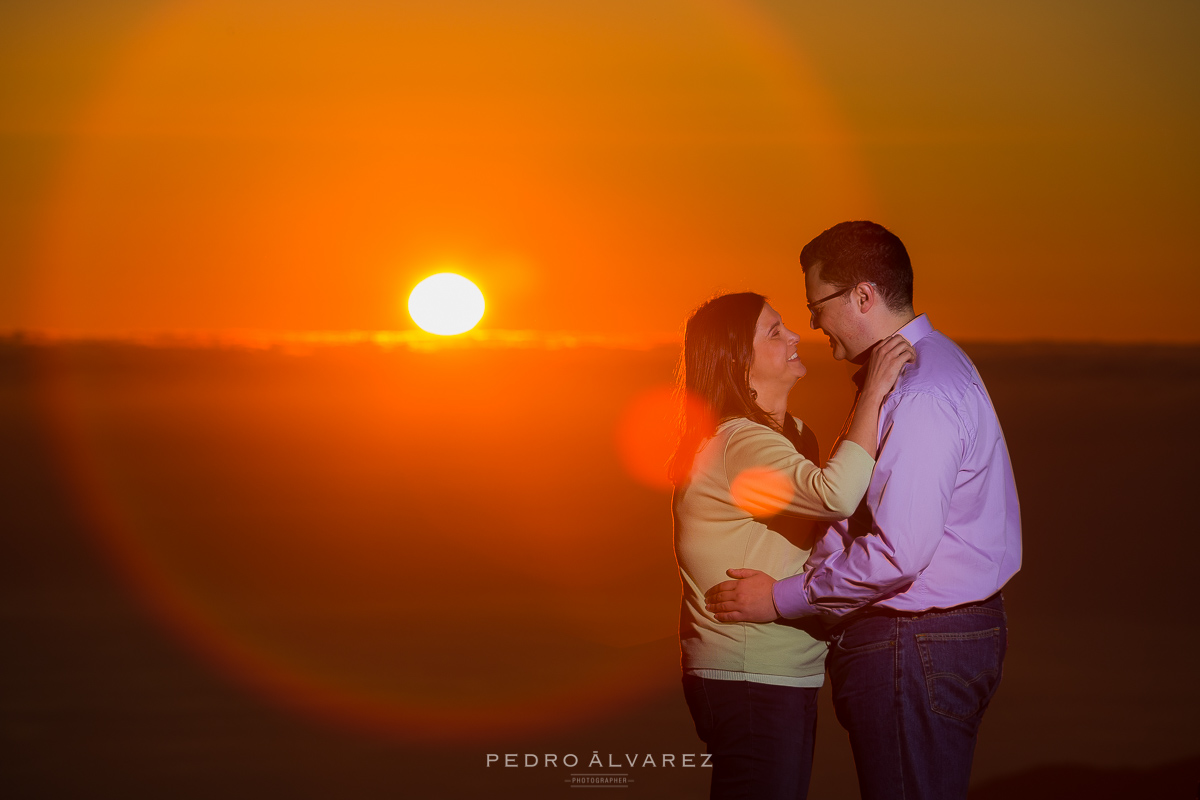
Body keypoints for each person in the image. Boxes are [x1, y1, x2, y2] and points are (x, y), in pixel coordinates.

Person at [704, 222, 1022, 800]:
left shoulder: (918, 391)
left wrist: (779, 598)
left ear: (863, 296)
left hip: (913, 644)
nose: (814, 324)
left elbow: (898, 553)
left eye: (816, 306)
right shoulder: (935, 365)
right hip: (937, 641)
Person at [671, 291, 913, 800]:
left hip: (774, 670)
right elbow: (837, 495)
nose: (794, 337)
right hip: (749, 672)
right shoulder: (742, 442)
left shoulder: (791, 436)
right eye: (774, 332)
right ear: (739, 360)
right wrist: (873, 392)